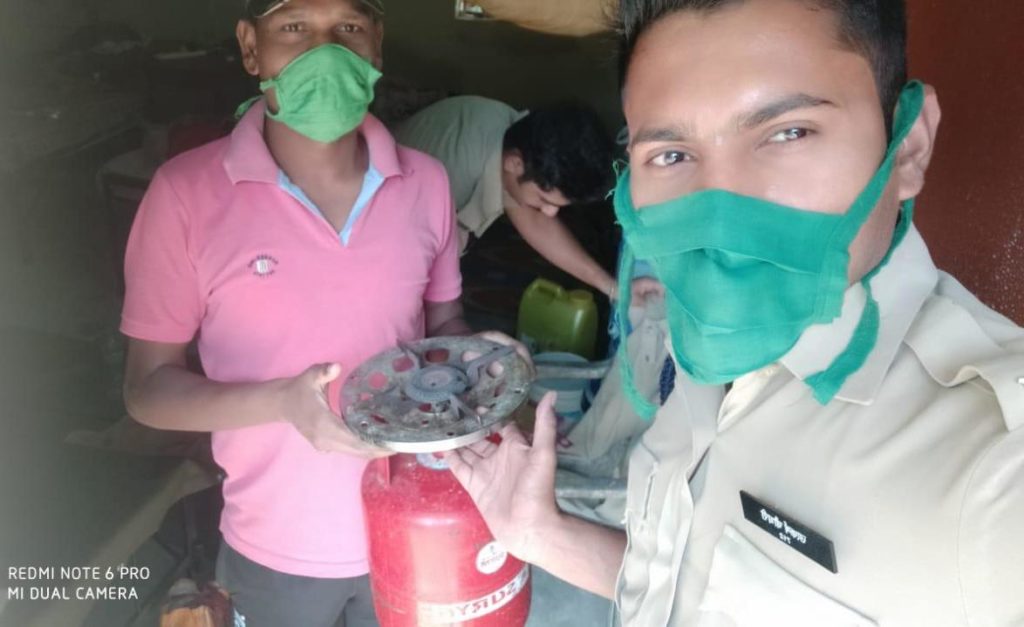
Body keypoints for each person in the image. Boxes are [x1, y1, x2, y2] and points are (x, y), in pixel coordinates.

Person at [447, 0, 1024, 624]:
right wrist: (540, 532)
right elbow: (682, 584)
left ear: (908, 146)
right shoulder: (701, 356)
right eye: (671, 155)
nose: (719, 215)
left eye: (789, 133)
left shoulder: (993, 472)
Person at [120, 1, 520, 625]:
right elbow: (148, 391)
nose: (325, 51)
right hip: (276, 543)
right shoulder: (185, 193)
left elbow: (442, 328)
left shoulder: (426, 182)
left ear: (376, 45)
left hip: (417, 520)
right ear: (250, 47)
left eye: (348, 28)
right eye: (294, 27)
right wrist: (282, 401)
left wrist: (477, 363)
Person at [393, 96, 624, 298]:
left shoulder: (517, 137)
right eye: (544, 200)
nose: (550, 212)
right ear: (514, 163)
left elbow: (535, 221)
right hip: (395, 224)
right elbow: (402, 263)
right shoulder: (450, 175)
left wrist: (612, 287)